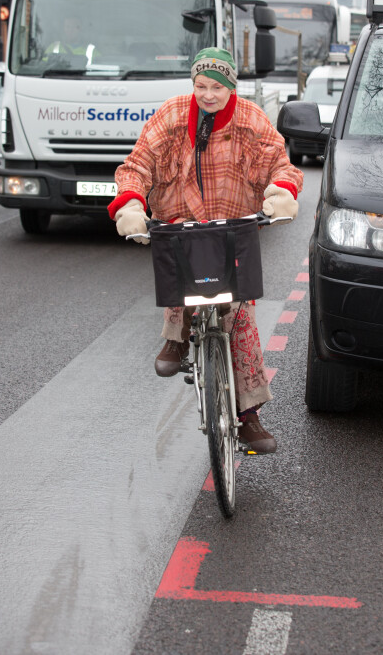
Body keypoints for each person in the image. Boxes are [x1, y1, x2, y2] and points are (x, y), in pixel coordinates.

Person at [107, 47, 303, 454]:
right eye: (200, 86)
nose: (208, 95)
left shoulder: (250, 119)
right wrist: (129, 200)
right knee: (180, 265)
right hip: (180, 218)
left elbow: (280, 163)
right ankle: (176, 337)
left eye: (216, 87)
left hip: (233, 224)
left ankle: (248, 416)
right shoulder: (173, 114)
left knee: (241, 313)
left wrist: (282, 191)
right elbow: (138, 162)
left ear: (231, 86)